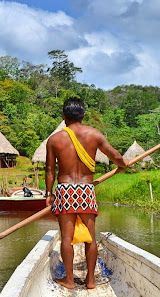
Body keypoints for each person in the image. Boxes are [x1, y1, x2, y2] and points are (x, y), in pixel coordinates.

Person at [45, 98, 127, 290]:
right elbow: (117, 157)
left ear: (64, 116)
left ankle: (70, 280)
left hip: (65, 190)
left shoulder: (55, 139)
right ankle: (91, 280)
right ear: (82, 115)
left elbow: (49, 171)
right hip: (86, 189)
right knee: (90, 237)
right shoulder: (94, 134)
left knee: (66, 238)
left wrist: (48, 193)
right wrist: (122, 166)